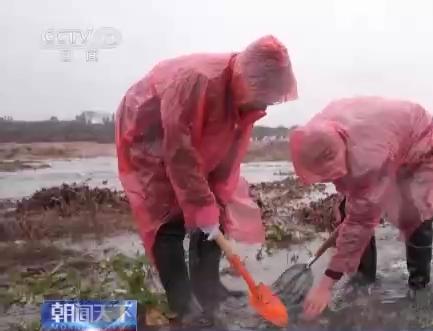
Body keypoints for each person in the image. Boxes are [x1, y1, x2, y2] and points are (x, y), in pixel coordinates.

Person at [115, 35, 298, 324]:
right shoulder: (198, 80)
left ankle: (210, 289)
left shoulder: (242, 100)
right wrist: (199, 206)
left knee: (215, 212)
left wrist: (213, 204)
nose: (266, 104)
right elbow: (179, 150)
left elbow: (226, 158)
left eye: (271, 99)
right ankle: (183, 303)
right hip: (148, 131)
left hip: (187, 137)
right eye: (264, 96)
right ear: (250, 81)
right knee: (170, 218)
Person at [289, 96, 433, 320]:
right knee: (348, 209)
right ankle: (364, 279)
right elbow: (354, 204)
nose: (331, 181)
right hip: (381, 136)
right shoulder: (315, 134)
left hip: (419, 137)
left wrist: (325, 285)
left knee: (415, 212)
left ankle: (419, 284)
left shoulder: (369, 158)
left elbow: (361, 221)